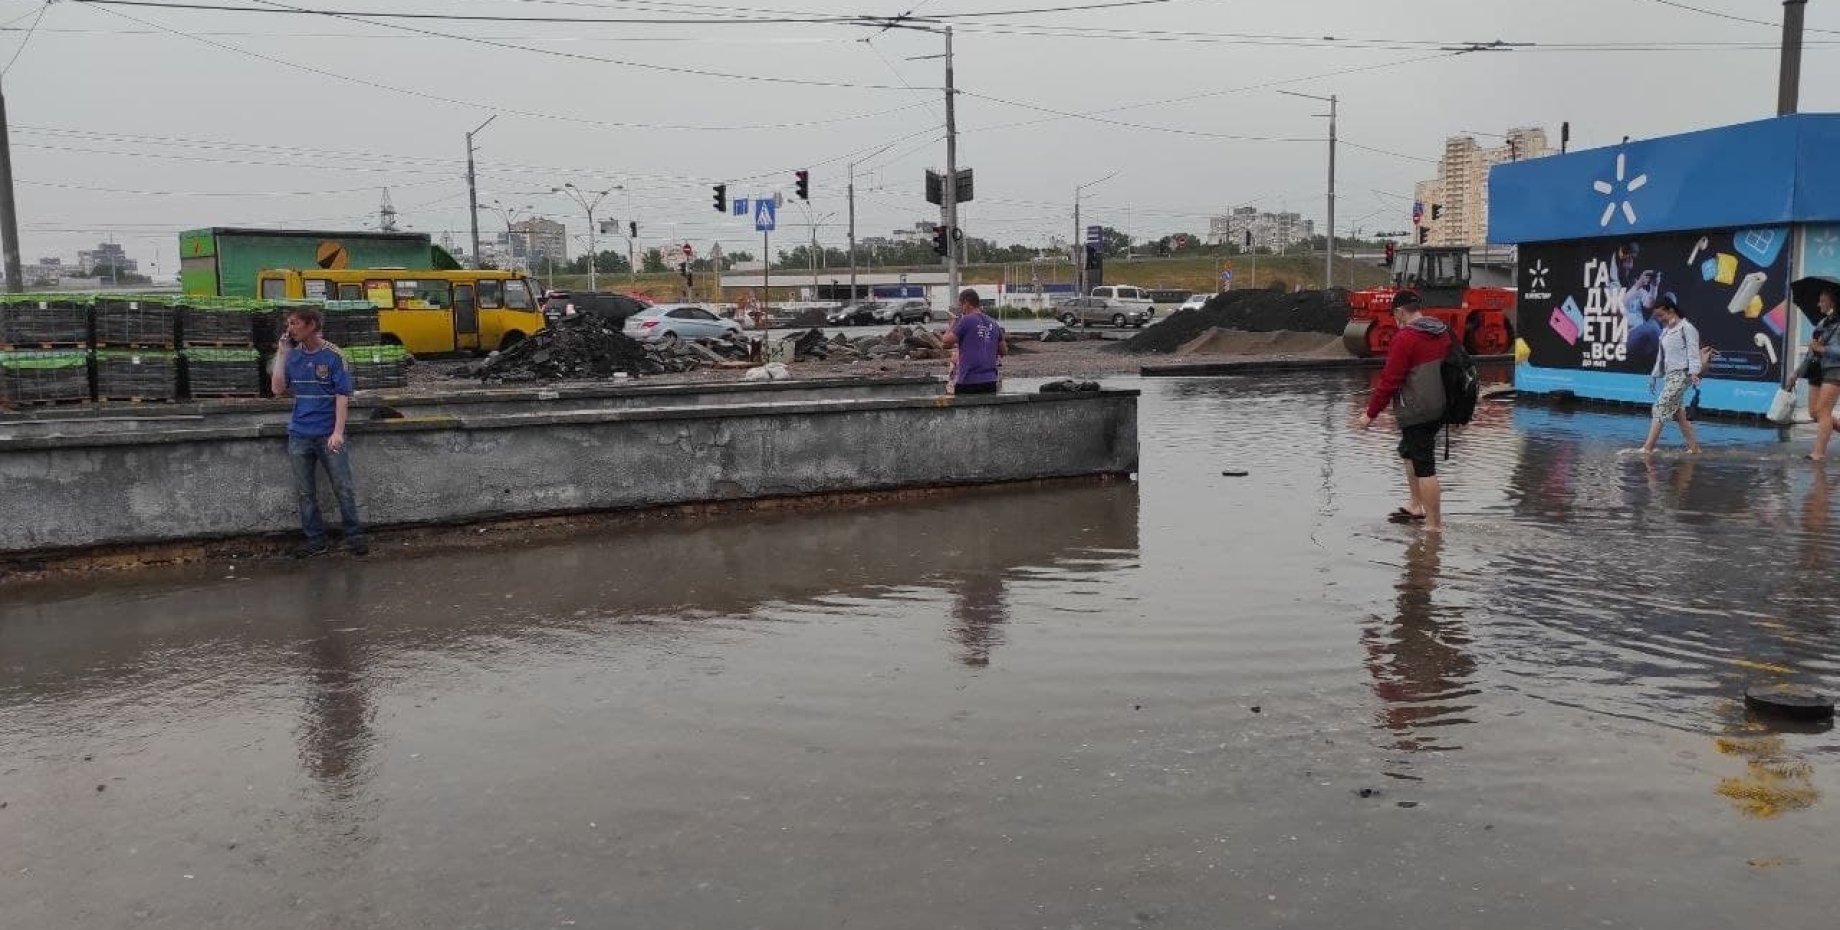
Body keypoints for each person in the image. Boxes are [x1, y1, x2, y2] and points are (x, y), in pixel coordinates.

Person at [271, 307, 368, 558]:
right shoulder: (293, 356)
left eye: (294, 323)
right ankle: (316, 539)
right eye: (288, 324)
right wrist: (282, 354)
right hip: (300, 433)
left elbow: (342, 396)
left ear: (311, 324)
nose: (289, 329)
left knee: (343, 486)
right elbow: (277, 389)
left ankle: (354, 536)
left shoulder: (334, 356)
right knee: (305, 492)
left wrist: (338, 432)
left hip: (327, 433)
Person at [1356, 292, 1452, 532]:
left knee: (1425, 466)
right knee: (1407, 450)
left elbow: (1390, 380)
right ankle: (1416, 503)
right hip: (1440, 406)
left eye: (1394, 315)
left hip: (1418, 409)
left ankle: (1433, 527)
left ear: (1399, 312)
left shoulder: (1406, 338)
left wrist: (1370, 414)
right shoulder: (1442, 330)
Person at [1640, 294, 1702, 456]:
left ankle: (1648, 448)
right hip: (1670, 376)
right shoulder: (1666, 331)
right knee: (1678, 414)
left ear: (1671, 310)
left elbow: (1693, 352)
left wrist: (1694, 372)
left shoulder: (1687, 328)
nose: (1659, 319)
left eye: (1661, 315)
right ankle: (1694, 448)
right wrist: (1654, 376)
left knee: (1660, 407)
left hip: (1683, 375)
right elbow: (1661, 356)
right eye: (1657, 316)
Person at [940, 288, 1005, 395]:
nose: (961, 310)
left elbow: (945, 342)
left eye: (961, 306)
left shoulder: (966, 320)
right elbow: (1003, 351)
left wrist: (953, 323)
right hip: (990, 380)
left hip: (969, 380)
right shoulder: (993, 323)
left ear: (966, 303)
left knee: (963, 411)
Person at [1805, 287, 1840, 461]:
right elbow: (1812, 350)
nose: (1819, 304)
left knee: (1824, 411)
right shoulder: (1822, 323)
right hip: (1818, 369)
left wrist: (1823, 349)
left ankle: (1817, 454)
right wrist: (1796, 373)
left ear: (1832, 302)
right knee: (1814, 413)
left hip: (1835, 369)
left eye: (1822, 300)